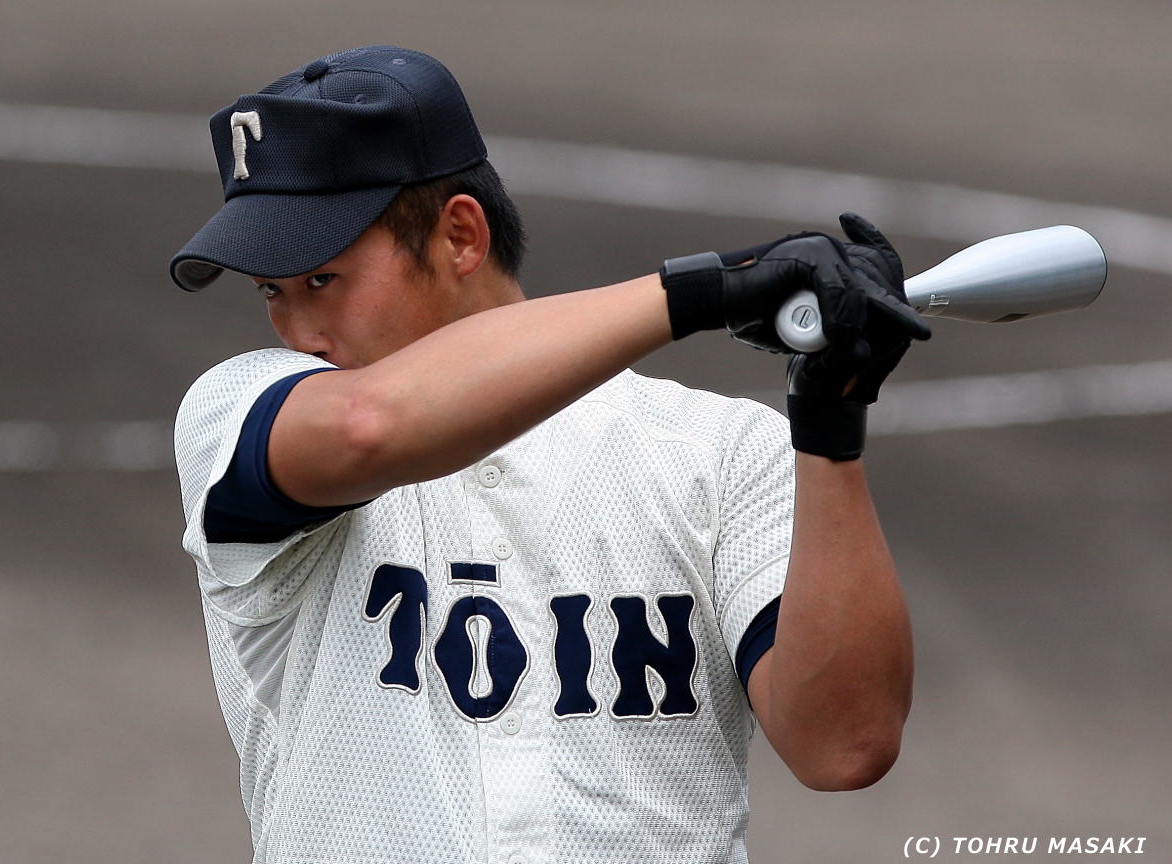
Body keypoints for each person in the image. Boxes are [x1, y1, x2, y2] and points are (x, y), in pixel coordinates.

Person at [170, 45, 929, 864]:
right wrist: (708, 290)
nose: (298, 333)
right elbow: (371, 426)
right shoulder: (237, 416)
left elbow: (844, 746)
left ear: (460, 235)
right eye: (271, 291)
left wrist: (828, 424)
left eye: (321, 280)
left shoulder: (718, 454)